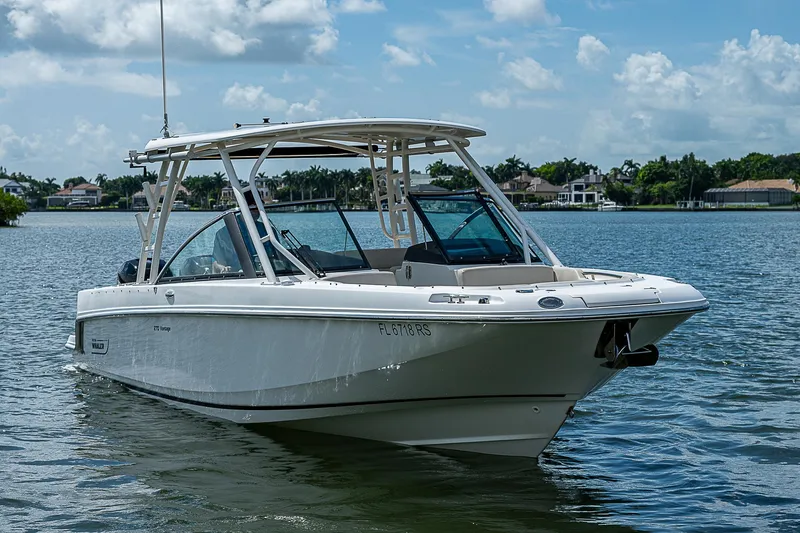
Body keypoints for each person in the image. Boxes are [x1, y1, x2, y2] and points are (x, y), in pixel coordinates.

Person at [211, 193, 268, 273]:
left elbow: (276, 257)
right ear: (243, 207)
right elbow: (217, 262)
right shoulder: (223, 234)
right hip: (236, 278)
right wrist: (224, 269)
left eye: (259, 207)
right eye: (253, 207)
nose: (257, 211)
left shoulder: (267, 231)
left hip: (266, 275)